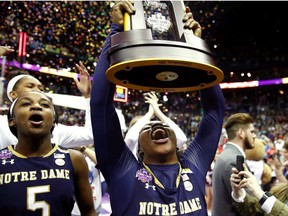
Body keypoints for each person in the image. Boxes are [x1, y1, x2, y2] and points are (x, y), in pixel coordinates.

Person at [90, 1, 225, 215]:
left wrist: (197, 47)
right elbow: (100, 106)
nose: (155, 127)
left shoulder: (193, 165)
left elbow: (214, 112)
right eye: (147, 128)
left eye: (161, 123)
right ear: (139, 150)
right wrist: (115, 32)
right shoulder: (124, 169)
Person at [0, 91, 96, 216]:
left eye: (45, 105)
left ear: (53, 120)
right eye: (25, 104)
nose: (36, 106)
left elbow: (89, 212)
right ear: (12, 121)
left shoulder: (74, 160)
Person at [0, 61, 94, 149]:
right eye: (30, 86)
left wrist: (88, 97)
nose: (37, 91)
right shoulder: (2, 124)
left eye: (41, 89)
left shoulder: (54, 129)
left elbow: (90, 134)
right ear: (12, 94)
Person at [212, 113, 257, 216]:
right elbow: (249, 207)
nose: (254, 136)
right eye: (252, 132)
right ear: (241, 133)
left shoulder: (227, 155)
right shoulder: (233, 160)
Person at [125, 91, 187, 158]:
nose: (152, 130)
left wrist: (158, 112)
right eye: (147, 128)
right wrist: (149, 113)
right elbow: (131, 139)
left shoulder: (163, 151)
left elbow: (181, 139)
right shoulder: (132, 158)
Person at [72, 144, 102, 216]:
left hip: (95, 206)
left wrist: (83, 148)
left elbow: (102, 163)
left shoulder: (91, 155)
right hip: (74, 210)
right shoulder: (70, 156)